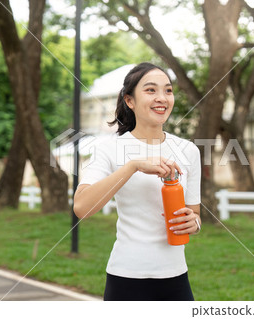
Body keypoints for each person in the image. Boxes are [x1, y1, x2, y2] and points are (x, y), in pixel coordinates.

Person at [73, 62, 201, 301]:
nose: (162, 98)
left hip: (176, 276)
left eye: (168, 90)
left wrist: (194, 223)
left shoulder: (189, 150)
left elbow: (194, 212)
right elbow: (82, 208)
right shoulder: (109, 149)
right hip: (126, 277)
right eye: (151, 90)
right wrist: (132, 166)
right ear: (129, 101)